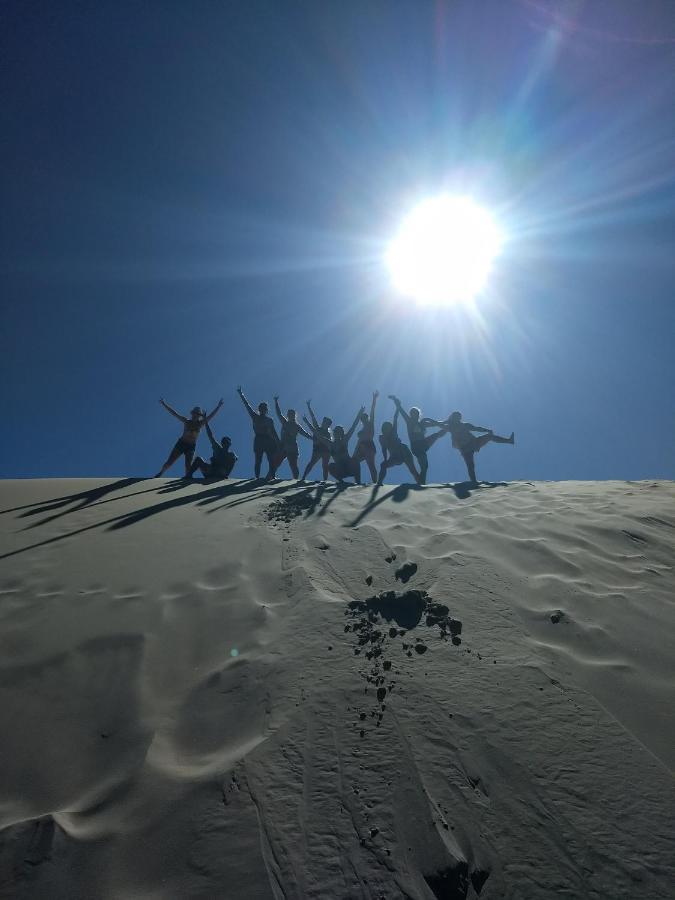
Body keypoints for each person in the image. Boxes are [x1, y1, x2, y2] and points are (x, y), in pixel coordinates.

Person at [155, 398, 223, 478]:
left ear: (199, 416)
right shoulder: (186, 421)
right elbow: (174, 413)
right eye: (195, 414)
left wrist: (218, 406)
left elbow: (211, 416)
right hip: (181, 443)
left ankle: (187, 477)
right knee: (170, 462)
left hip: (191, 446)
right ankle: (161, 473)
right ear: (192, 414)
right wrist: (164, 404)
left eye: (197, 414)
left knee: (188, 465)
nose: (195, 415)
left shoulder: (200, 423)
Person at [389, 395, 447, 485]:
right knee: (424, 467)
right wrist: (395, 400)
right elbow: (401, 410)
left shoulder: (422, 423)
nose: (414, 414)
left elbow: (435, 424)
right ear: (411, 414)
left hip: (424, 443)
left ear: (418, 414)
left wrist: (445, 423)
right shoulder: (409, 421)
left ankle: (449, 428)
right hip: (416, 446)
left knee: (437, 435)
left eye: (415, 413)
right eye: (412, 413)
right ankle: (421, 484)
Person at [445, 411, 514, 483]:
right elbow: (439, 423)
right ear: (453, 418)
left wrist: (487, 430)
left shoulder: (465, 425)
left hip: (474, 442)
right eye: (456, 417)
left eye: (459, 417)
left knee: (489, 437)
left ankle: (509, 441)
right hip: (465, 448)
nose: (457, 418)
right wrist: (432, 422)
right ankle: (474, 481)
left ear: (460, 418)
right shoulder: (450, 427)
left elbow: (477, 428)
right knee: (470, 465)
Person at [304, 406, 364, 484]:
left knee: (355, 461)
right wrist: (307, 422)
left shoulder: (344, 441)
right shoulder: (330, 443)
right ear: (334, 432)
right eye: (336, 431)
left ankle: (358, 483)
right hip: (341, 470)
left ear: (341, 433)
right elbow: (317, 434)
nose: (337, 433)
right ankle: (341, 482)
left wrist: (360, 413)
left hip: (350, 468)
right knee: (330, 466)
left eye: (339, 432)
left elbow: (353, 426)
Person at [237, 386, 280, 480]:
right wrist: (241, 394)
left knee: (270, 459)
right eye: (261, 408)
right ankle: (257, 477)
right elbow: (247, 405)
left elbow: (274, 432)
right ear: (259, 409)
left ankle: (273, 476)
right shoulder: (255, 416)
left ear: (266, 410)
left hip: (268, 440)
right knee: (258, 460)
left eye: (265, 408)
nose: (263, 409)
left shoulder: (269, 420)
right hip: (258, 439)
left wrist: (278, 441)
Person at [377, 406, 421, 485]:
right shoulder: (382, 438)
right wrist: (385, 459)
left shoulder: (393, 432)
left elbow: (395, 418)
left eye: (388, 427)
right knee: (383, 465)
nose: (387, 429)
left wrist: (397, 407)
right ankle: (379, 483)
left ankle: (421, 484)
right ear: (383, 429)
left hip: (404, 451)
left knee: (412, 470)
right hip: (395, 457)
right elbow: (384, 449)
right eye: (385, 428)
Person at [273, 395, 313, 479]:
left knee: (293, 465)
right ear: (288, 415)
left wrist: (313, 438)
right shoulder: (285, 422)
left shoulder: (296, 426)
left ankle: (295, 481)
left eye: (292, 414)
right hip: (284, 446)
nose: (291, 415)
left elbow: (305, 434)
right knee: (276, 462)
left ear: (294, 415)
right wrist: (276, 402)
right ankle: (271, 476)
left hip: (292, 447)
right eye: (289, 414)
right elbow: (279, 413)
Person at [301, 400, 333, 481]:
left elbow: (313, 420)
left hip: (325, 450)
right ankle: (303, 477)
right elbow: (313, 418)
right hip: (317, 449)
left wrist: (307, 421)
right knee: (312, 463)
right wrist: (309, 406)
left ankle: (325, 481)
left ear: (328, 425)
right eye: (324, 421)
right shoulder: (318, 428)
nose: (324, 423)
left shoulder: (328, 434)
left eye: (326, 422)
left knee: (325, 465)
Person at [353, 391, 379, 483]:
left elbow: (372, 411)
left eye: (365, 417)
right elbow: (359, 441)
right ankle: (357, 482)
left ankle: (375, 483)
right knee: (354, 462)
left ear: (367, 418)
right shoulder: (363, 428)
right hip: (361, 447)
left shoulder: (370, 424)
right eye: (362, 418)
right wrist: (355, 451)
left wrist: (374, 399)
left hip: (369, 446)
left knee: (371, 465)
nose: (363, 419)